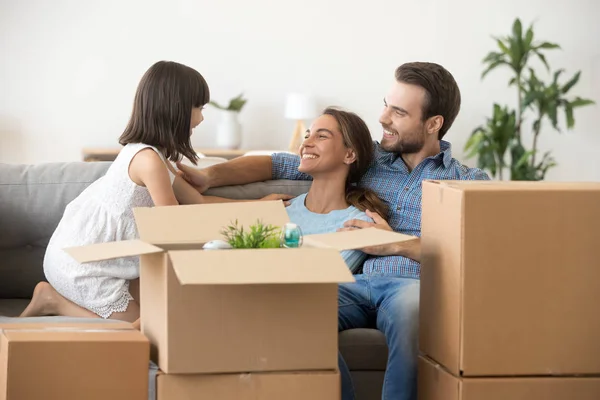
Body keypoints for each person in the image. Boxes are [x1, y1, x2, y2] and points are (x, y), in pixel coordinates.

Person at [176, 61, 491, 400]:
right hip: (351, 281)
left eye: (398, 112)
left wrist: (396, 244)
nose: (383, 118)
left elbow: (477, 254)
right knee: (290, 311)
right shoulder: (370, 158)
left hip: (408, 285)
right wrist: (210, 176)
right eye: (386, 105)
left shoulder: (468, 182)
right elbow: (278, 162)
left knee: (413, 312)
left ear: (433, 124)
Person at [19, 60, 282, 325]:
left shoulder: (155, 156)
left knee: (169, 314)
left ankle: (53, 299)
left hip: (102, 262)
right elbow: (173, 225)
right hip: (81, 267)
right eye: (198, 108)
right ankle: (50, 299)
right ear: (174, 108)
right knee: (148, 332)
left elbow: (198, 202)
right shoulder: (147, 160)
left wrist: (260, 205)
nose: (201, 118)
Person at [285, 106, 388, 272]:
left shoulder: (359, 225)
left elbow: (323, 279)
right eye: (307, 135)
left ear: (349, 155)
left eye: (321, 136)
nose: (306, 143)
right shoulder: (283, 209)